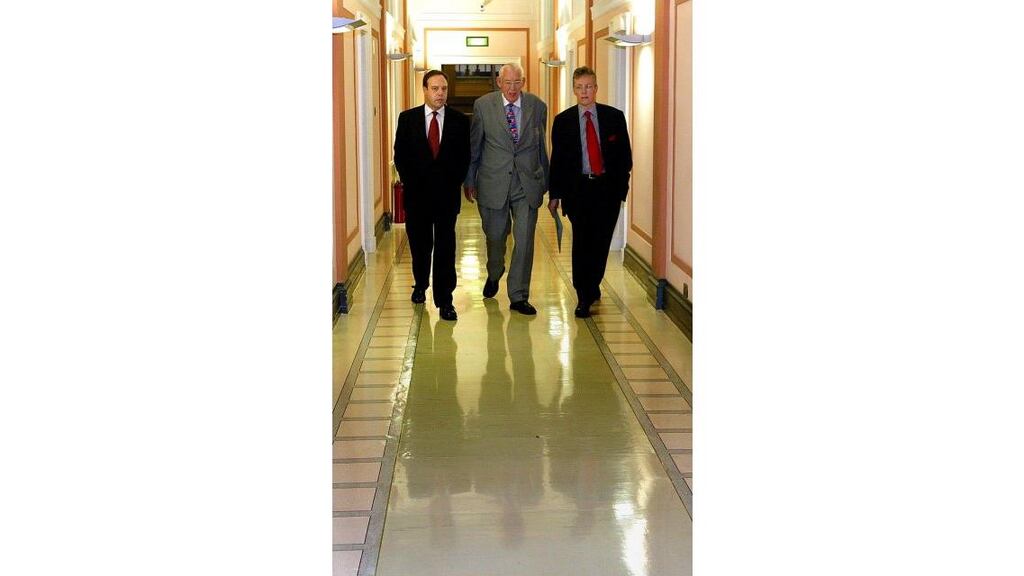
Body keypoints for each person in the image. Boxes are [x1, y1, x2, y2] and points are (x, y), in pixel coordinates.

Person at [464, 63, 549, 316]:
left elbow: (541, 145)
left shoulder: (537, 106)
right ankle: (494, 271)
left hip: (526, 184)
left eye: (517, 83)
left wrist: (547, 182)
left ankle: (518, 295)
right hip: (493, 182)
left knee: (524, 241)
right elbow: (475, 145)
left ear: (523, 82)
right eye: (507, 83)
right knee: (495, 237)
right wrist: (469, 179)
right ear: (499, 83)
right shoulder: (483, 106)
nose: (512, 89)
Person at [548, 66, 633, 318]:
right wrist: (555, 194)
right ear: (574, 90)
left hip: (606, 190)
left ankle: (593, 283)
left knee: (601, 242)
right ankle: (582, 295)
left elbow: (624, 157)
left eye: (588, 86)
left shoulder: (614, 117)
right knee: (582, 242)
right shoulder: (562, 121)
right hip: (578, 191)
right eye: (579, 87)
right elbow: (558, 161)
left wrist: (620, 189)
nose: (584, 91)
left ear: (595, 88)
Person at [393, 69, 471, 321]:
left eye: (444, 89)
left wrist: (452, 182)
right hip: (417, 197)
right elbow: (401, 156)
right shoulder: (408, 119)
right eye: (435, 89)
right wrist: (412, 182)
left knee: (446, 247)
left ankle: (445, 299)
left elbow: (464, 157)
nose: (440, 93)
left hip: (447, 197)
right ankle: (420, 284)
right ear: (425, 90)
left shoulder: (459, 121)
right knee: (420, 245)